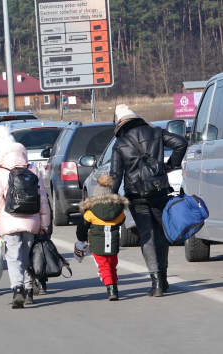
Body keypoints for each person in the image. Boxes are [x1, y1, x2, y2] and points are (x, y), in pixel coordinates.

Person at [110, 104, 187, 297]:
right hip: (159, 190)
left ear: (120, 123)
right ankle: (164, 278)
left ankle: (156, 282)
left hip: (136, 196)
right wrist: (172, 165)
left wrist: (111, 198)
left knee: (147, 235)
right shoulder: (155, 132)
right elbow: (181, 143)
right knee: (161, 233)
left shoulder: (119, 144)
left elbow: (115, 174)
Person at [0, 125, 50, 309]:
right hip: (32, 221)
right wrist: (45, 224)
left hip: (9, 221)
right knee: (27, 255)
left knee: (13, 257)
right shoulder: (33, 170)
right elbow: (43, 200)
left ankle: (17, 289)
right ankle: (29, 291)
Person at [76, 173, 128, 301]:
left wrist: (81, 238)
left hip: (97, 243)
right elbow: (122, 220)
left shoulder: (91, 211)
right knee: (112, 265)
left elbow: (82, 228)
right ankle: (114, 286)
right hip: (114, 242)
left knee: (103, 266)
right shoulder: (118, 211)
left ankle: (110, 288)